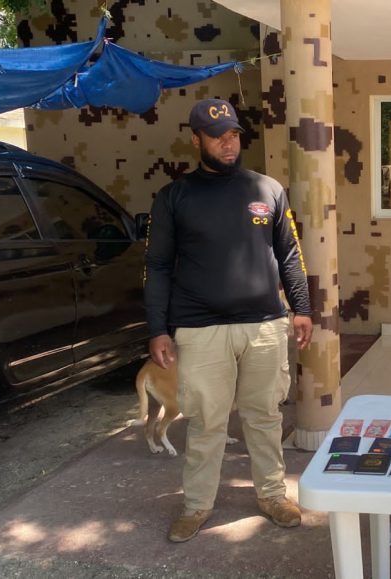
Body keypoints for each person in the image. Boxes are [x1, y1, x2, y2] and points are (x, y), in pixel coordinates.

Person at [144, 98, 313, 543]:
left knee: (264, 416)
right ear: (196, 139)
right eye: (217, 136)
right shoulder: (174, 197)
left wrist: (302, 308)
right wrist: (158, 328)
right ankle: (197, 505)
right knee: (206, 422)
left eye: (234, 134)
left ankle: (273, 495)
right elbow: (157, 266)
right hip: (199, 329)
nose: (228, 143)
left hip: (264, 325)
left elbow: (290, 254)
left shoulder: (267, 189)